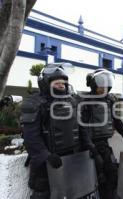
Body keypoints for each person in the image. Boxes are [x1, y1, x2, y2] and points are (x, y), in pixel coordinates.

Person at [20, 63, 95, 199]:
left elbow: (80, 127)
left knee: (73, 193)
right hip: (46, 166)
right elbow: (31, 137)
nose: (61, 86)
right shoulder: (34, 103)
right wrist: (46, 156)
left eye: (63, 83)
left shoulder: (72, 102)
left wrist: (89, 145)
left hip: (71, 160)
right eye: (57, 83)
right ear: (45, 83)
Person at [80, 68, 123, 199]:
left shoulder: (109, 100)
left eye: (107, 85)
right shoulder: (86, 101)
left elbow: (116, 120)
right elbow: (82, 127)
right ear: (93, 85)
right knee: (99, 177)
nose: (104, 88)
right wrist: (92, 149)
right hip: (90, 146)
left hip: (104, 145)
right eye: (101, 85)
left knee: (112, 175)